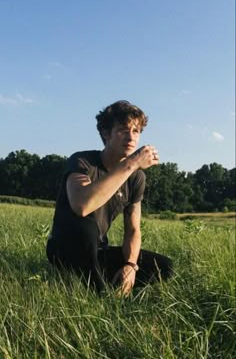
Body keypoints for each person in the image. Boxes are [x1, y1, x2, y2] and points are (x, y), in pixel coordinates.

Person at [46, 100, 173, 295]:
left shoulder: (136, 177)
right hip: (65, 249)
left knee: (164, 266)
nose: (131, 137)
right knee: (87, 226)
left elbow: (133, 229)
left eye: (136, 131)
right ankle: (103, 296)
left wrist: (131, 265)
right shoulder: (83, 161)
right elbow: (82, 205)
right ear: (106, 133)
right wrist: (131, 163)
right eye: (123, 130)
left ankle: (110, 282)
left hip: (98, 251)